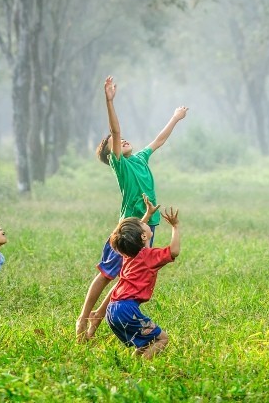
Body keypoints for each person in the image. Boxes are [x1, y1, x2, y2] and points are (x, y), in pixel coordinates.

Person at [76, 75, 188, 341]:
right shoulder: (121, 165)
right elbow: (115, 131)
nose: (122, 140)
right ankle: (83, 319)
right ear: (110, 154)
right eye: (116, 142)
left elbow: (158, 140)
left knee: (128, 276)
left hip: (148, 226)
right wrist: (109, 101)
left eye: (123, 139)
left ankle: (95, 324)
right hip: (128, 228)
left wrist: (175, 118)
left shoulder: (139, 158)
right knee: (106, 274)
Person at [105, 205, 181, 358]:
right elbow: (174, 251)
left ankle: (133, 365)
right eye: (143, 224)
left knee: (147, 342)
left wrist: (147, 214)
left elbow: (130, 235)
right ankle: (142, 369)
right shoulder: (149, 256)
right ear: (143, 236)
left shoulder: (128, 255)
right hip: (126, 310)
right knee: (162, 339)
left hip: (112, 310)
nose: (145, 222)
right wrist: (175, 226)